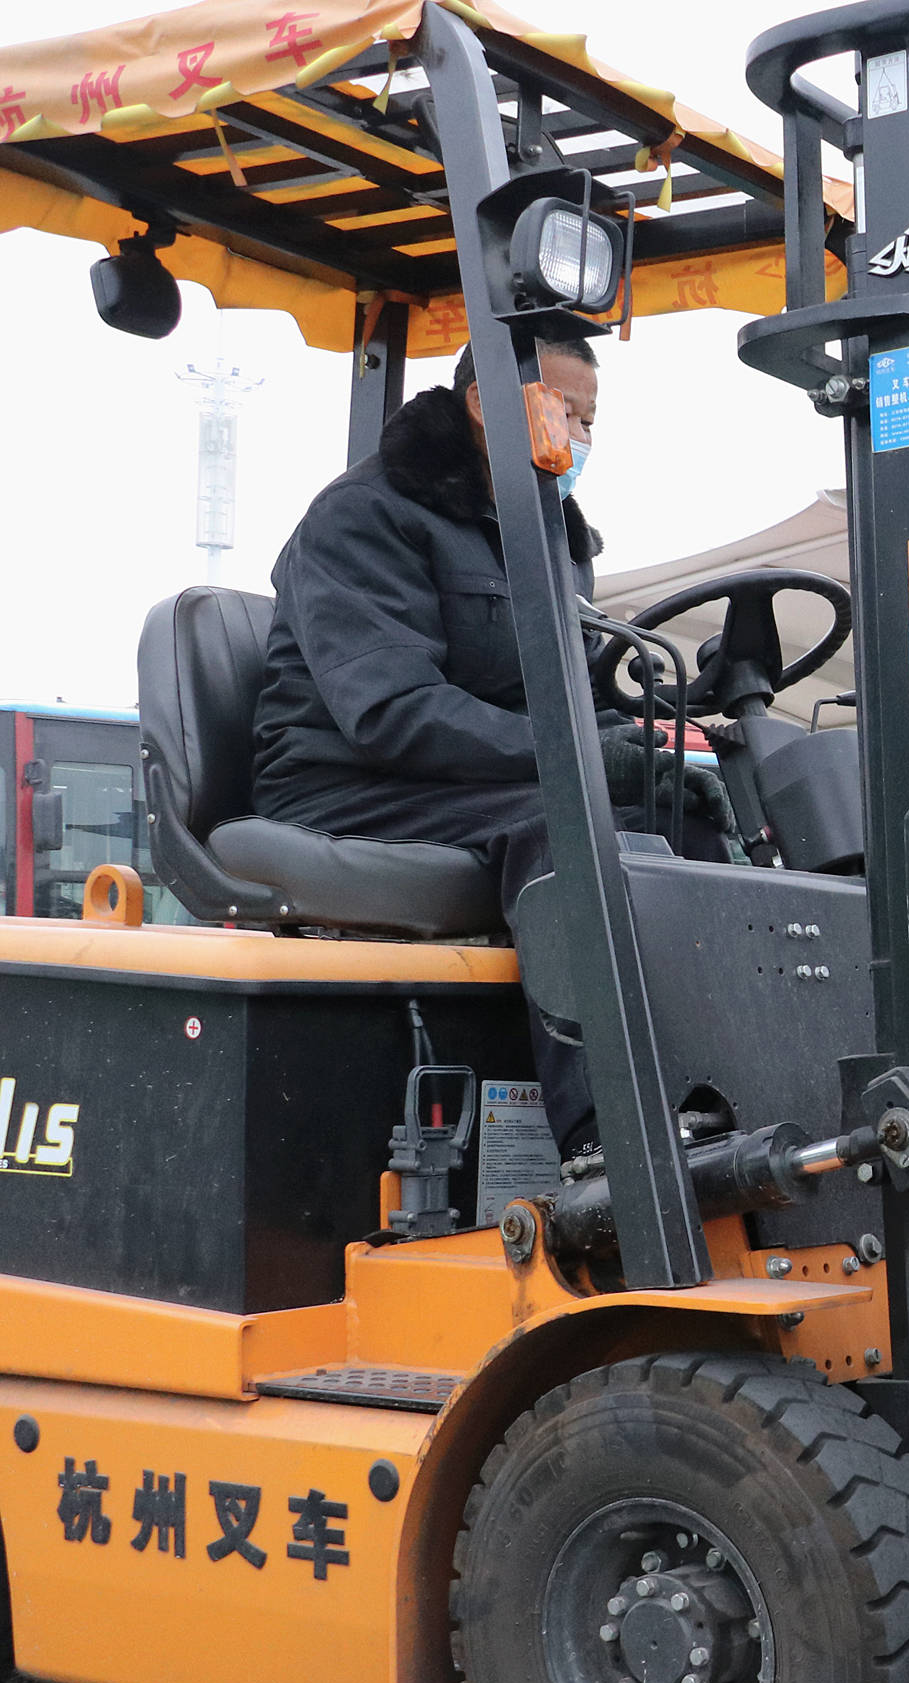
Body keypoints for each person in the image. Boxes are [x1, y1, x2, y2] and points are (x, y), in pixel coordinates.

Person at [251, 337, 731, 1153]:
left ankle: (721, 1095)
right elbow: (391, 711)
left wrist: (642, 751)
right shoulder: (367, 515)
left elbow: (552, 700)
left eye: (589, 419)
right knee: (570, 831)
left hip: (463, 776)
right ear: (486, 405)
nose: (579, 436)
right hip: (344, 781)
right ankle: (615, 1147)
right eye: (564, 411)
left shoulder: (543, 535)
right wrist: (580, 758)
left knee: (684, 818)